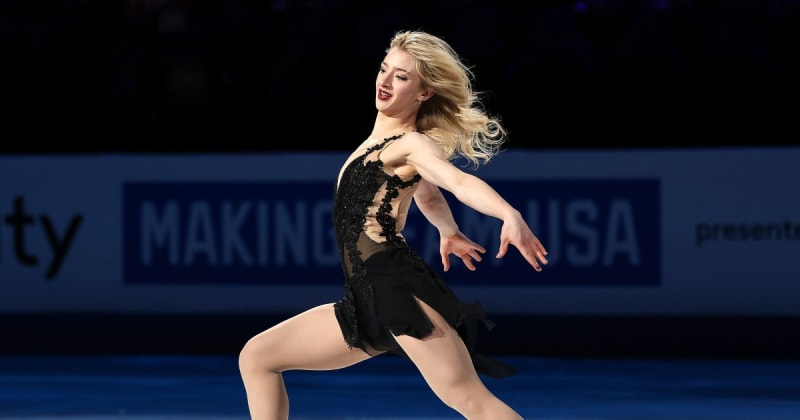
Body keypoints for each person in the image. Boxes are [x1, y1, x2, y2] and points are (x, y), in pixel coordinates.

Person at [238, 29, 549, 419]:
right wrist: (448, 231)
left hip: (394, 288)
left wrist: (508, 214)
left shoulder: (412, 144)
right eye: (385, 69)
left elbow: (455, 181)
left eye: (401, 76)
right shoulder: (378, 143)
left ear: (424, 93)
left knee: (472, 401)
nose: (385, 81)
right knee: (258, 356)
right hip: (363, 295)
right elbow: (429, 195)